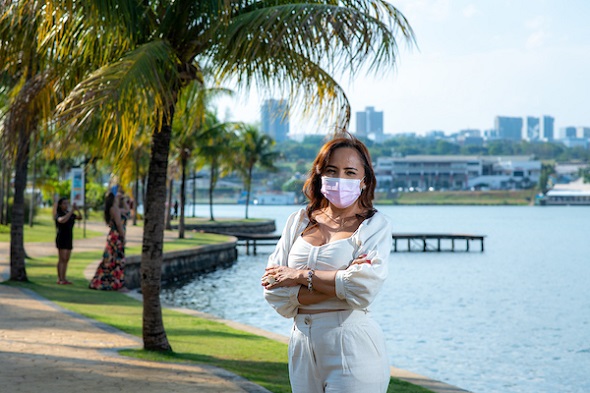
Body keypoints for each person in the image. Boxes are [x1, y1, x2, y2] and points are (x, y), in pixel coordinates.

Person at [262, 133, 393, 393]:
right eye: (332, 170)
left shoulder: (374, 226)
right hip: (300, 345)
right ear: (319, 175)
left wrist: (298, 275)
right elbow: (272, 289)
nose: (340, 179)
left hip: (351, 346)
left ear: (364, 182)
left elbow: (362, 289)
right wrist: (338, 284)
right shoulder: (297, 221)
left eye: (350, 172)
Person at [89, 188, 127, 291]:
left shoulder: (114, 208)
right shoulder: (114, 209)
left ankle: (112, 283)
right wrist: (123, 237)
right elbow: (119, 225)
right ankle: (117, 285)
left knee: (111, 259)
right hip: (116, 236)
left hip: (113, 236)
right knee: (117, 260)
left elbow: (127, 211)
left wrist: (123, 200)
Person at [54, 197, 82, 285]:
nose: (66, 205)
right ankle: (60, 278)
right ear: (60, 205)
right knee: (62, 258)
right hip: (61, 237)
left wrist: (77, 210)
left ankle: (64, 278)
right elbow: (62, 220)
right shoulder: (59, 214)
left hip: (69, 238)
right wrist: (71, 212)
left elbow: (80, 217)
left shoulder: (70, 214)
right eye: (64, 203)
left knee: (66, 259)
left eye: (67, 203)